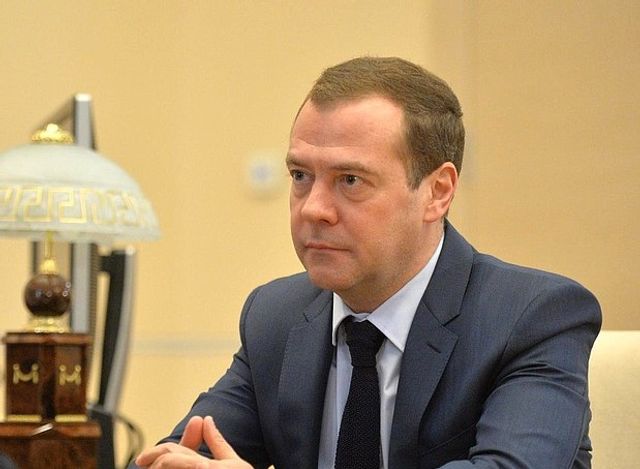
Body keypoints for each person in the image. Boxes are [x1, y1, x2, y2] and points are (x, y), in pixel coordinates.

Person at [133, 57, 601, 468]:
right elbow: (179, 456)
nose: (314, 209)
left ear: (437, 192)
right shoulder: (275, 317)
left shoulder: (531, 319)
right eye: (300, 175)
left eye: (350, 180)